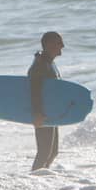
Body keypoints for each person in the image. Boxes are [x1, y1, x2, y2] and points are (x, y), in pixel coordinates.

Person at [29, 31, 64, 171]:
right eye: (59, 42)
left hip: (50, 112)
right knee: (44, 153)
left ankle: (44, 178)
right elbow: (34, 90)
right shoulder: (40, 64)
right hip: (42, 113)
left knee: (52, 152)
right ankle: (33, 179)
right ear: (49, 45)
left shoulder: (49, 63)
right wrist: (37, 113)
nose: (63, 45)